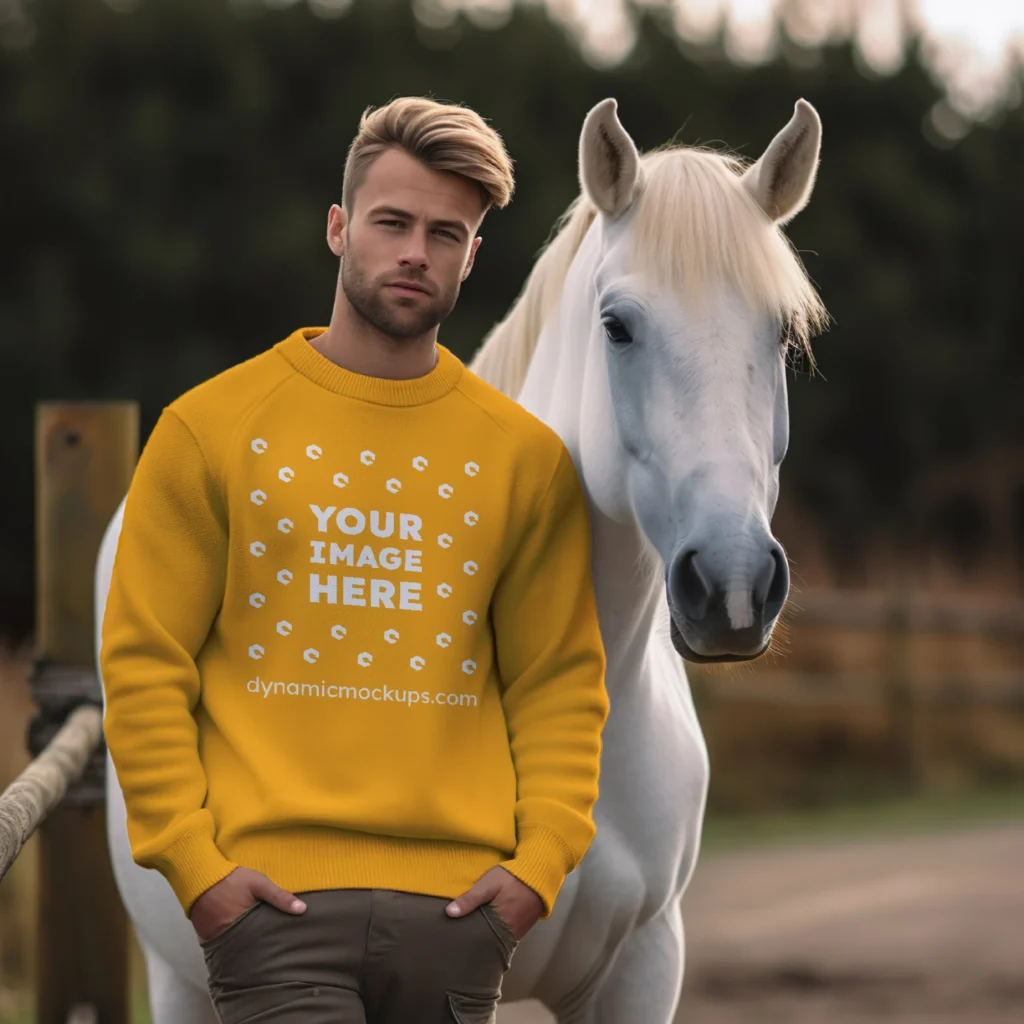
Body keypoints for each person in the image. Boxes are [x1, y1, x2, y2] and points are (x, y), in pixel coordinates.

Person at [100, 96, 609, 1023]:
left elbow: (559, 685)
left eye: (446, 233)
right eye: (393, 223)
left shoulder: (524, 460)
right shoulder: (209, 430)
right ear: (339, 229)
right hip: (271, 912)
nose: (417, 250)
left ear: (473, 255)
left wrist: (537, 870)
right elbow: (143, 663)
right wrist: (193, 861)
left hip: (459, 919)